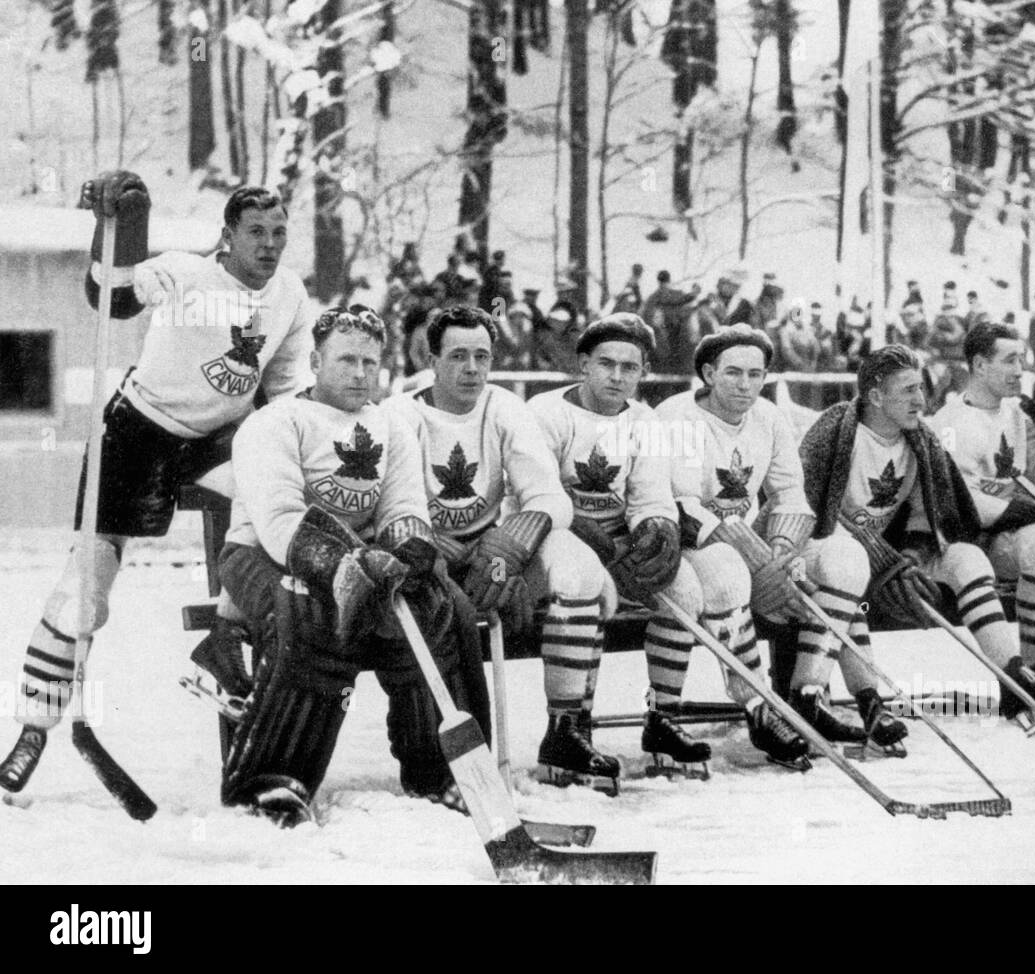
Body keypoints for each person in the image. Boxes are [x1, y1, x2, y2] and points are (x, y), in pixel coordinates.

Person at [0, 176, 315, 793]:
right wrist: (119, 230)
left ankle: (225, 639)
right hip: (140, 432)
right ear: (226, 237)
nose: (270, 244)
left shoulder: (290, 293)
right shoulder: (186, 275)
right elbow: (114, 296)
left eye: (280, 232)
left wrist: (296, 445)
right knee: (86, 587)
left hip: (220, 437)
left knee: (266, 507)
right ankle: (32, 730)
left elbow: (283, 382)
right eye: (257, 232)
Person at [215, 306, 485, 824]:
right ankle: (272, 779)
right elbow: (278, 521)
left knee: (436, 607)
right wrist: (345, 569)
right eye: (346, 360)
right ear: (316, 361)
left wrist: (405, 556)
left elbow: (403, 507)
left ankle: (440, 772)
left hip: (366, 561)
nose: (360, 373)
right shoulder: (274, 423)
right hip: (264, 556)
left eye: (369, 362)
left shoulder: (389, 425)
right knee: (309, 609)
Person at [382, 306, 620, 789]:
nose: (472, 368)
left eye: (482, 357)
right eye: (458, 356)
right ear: (432, 360)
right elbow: (388, 504)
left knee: (577, 569)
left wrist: (513, 543)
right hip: (428, 556)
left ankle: (564, 732)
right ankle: (442, 761)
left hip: (492, 548)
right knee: (440, 618)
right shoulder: (400, 413)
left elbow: (549, 497)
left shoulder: (503, 406)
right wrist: (424, 540)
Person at [656, 325, 906, 761]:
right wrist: (758, 559)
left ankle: (808, 695)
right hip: (693, 546)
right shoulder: (678, 417)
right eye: (733, 373)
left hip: (757, 545)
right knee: (727, 572)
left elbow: (791, 493)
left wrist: (784, 551)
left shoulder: (768, 417)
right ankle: (758, 709)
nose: (745, 384)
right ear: (709, 373)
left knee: (846, 557)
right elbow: (683, 504)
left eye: (755, 374)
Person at [800, 345, 1035, 722]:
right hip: (826, 555)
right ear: (875, 396)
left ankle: (1014, 678)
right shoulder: (836, 430)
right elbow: (807, 511)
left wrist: (912, 558)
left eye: (921, 389)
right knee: (848, 566)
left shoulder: (920, 439)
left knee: (967, 557)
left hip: (887, 560)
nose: (921, 400)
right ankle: (866, 703)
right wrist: (882, 560)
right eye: (908, 391)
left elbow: (930, 516)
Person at [529, 313, 716, 776]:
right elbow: (533, 493)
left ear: (642, 373)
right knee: (582, 582)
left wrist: (658, 529)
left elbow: (651, 495)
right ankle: (566, 727)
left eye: (629, 368)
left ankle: (663, 717)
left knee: (686, 590)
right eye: (606, 364)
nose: (617, 376)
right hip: (554, 533)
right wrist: (595, 542)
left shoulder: (645, 419)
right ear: (584, 365)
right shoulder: (546, 412)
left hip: (617, 541)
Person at [929, 321, 1035, 702]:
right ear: (980, 366)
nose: (1020, 370)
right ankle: (1018, 681)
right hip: (964, 544)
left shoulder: (1017, 413)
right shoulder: (949, 424)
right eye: (1010, 360)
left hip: (1002, 539)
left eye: (1022, 359)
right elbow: (966, 506)